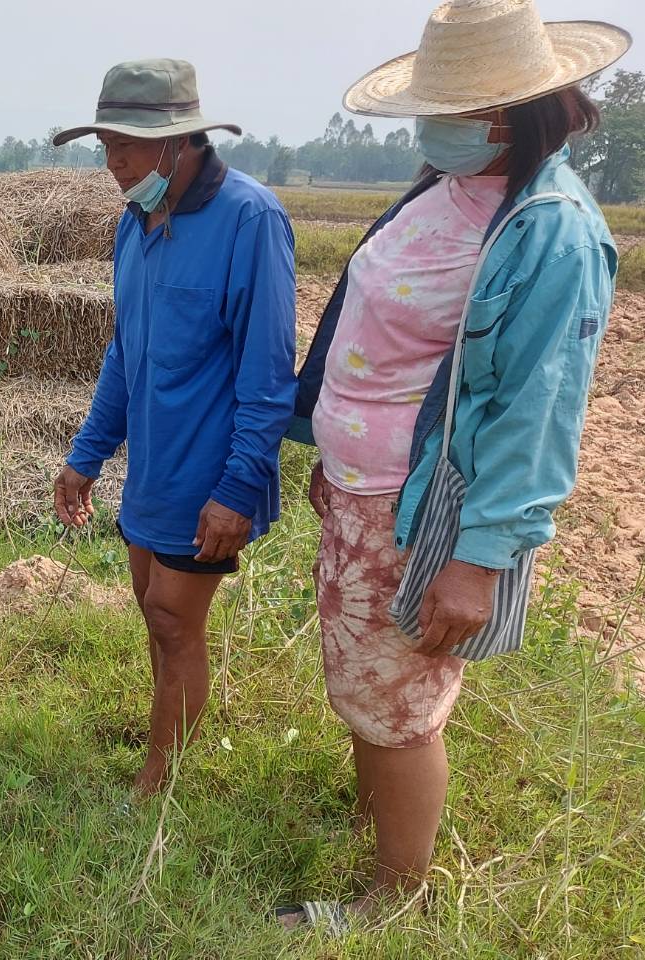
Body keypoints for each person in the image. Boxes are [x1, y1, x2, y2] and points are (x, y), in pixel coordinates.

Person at [277, 0, 625, 934]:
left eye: (453, 108)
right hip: (362, 493)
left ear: (505, 115)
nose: (434, 126)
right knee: (361, 679)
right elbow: (375, 338)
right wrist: (332, 451)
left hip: (425, 510)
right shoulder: (442, 188)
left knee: (398, 696)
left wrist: (478, 558)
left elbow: (535, 412)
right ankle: (378, 829)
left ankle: (392, 901)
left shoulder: (551, 230)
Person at [49, 59, 299, 797]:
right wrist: (87, 455)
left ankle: (161, 779)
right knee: (154, 616)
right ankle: (167, 738)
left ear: (181, 142)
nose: (112, 162)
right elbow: (126, 351)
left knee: (171, 615)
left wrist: (237, 489)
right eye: (104, 144)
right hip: (151, 467)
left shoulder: (249, 220)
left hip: (210, 469)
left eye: (126, 144)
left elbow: (267, 375)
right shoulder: (134, 223)